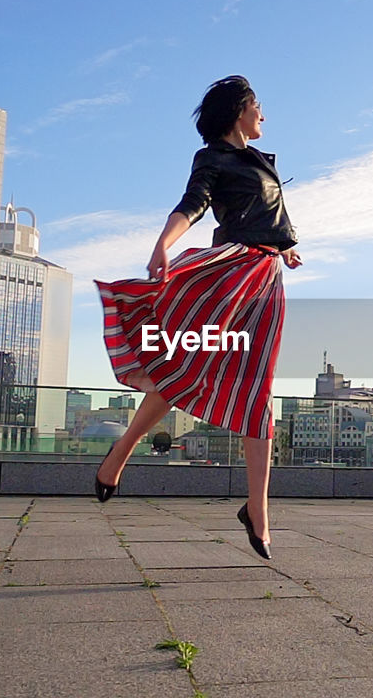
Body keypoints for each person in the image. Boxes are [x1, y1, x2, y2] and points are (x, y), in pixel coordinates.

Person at [92, 76, 301, 560]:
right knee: (185, 364)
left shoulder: (261, 163)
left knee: (257, 389)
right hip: (229, 273)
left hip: (265, 281)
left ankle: (257, 510)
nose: (263, 115)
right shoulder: (213, 158)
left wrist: (287, 250)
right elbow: (193, 205)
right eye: (257, 106)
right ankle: (119, 454)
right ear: (238, 112)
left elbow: (270, 218)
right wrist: (163, 244)